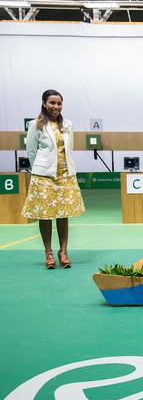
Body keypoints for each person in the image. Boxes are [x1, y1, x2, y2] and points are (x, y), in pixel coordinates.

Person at [22, 89, 85, 269]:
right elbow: (31, 151)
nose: (56, 107)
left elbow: (69, 148)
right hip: (44, 177)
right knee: (45, 215)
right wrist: (41, 169)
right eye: (52, 103)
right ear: (44, 103)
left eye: (59, 103)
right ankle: (48, 252)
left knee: (63, 215)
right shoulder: (36, 124)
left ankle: (63, 251)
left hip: (65, 175)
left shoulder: (68, 124)